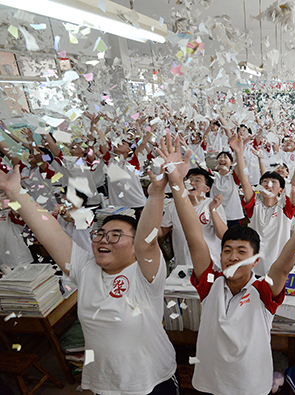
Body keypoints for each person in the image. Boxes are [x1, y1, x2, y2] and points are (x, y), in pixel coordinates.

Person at [156, 133, 295, 395]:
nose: (234, 256)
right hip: (211, 383)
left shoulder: (263, 291)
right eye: (227, 250)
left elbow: (284, 265)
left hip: (250, 385)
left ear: (255, 260)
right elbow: (194, 238)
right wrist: (176, 183)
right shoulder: (209, 284)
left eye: (242, 251)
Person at [0, 163, 178, 394]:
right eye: (100, 234)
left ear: (134, 247)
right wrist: (15, 192)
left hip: (153, 380)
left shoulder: (145, 275)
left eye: (116, 235)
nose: (104, 239)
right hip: (107, 383)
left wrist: (155, 195)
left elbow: (148, 241)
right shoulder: (85, 269)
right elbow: (50, 231)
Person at [231, 135, 295, 276]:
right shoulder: (254, 205)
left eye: (274, 182)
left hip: (280, 267)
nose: (268, 185)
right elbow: (244, 181)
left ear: (281, 190)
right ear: (259, 187)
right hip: (256, 267)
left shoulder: (285, 206)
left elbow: (294, 183)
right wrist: (239, 153)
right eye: (265, 182)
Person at [160, 167, 227, 267]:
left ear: (207, 189)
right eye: (189, 180)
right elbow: (161, 231)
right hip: (183, 266)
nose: (192, 183)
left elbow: (223, 235)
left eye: (197, 180)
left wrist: (213, 210)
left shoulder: (212, 204)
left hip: (210, 265)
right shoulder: (174, 205)